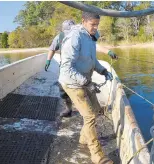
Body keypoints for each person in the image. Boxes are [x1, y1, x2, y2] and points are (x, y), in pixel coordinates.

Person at [58, 12, 114, 164]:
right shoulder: (74, 37)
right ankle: (97, 155)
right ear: (83, 21)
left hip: (85, 80)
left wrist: (103, 70)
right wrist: (87, 82)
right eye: (92, 24)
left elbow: (92, 60)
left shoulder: (90, 37)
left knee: (96, 110)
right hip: (72, 83)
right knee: (89, 116)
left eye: (97, 24)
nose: (95, 28)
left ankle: (84, 138)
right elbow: (66, 68)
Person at [45, 20, 118, 118]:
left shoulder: (81, 36)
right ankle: (69, 108)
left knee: (86, 88)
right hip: (67, 68)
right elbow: (52, 49)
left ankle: (93, 108)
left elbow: (95, 46)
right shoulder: (60, 37)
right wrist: (48, 60)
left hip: (81, 69)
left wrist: (108, 52)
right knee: (63, 90)